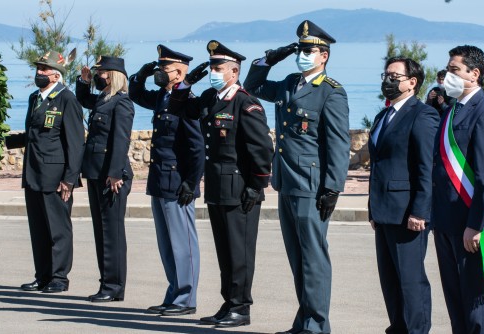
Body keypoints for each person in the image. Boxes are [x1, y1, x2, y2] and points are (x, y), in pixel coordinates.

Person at [244, 20, 350, 334]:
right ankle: (304, 320)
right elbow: (253, 87)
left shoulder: (331, 92)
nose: (302, 54)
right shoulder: (290, 83)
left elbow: (338, 143)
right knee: (297, 257)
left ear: (324, 56)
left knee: (313, 258)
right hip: (286, 180)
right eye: (299, 49)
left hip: (311, 184)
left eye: (308, 50)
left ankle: (317, 324)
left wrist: (332, 187)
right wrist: (269, 59)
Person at [170, 40, 273, 328]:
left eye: (218, 67)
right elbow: (182, 109)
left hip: (240, 190)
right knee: (225, 253)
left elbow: (262, 149)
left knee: (239, 253)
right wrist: (187, 82)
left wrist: (257, 185)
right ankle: (228, 302)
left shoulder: (246, 102)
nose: (214, 71)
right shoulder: (210, 98)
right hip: (217, 187)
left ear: (234, 71)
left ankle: (241, 307)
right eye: (212, 67)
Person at [431, 45, 484, 333]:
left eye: (454, 70)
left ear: (474, 74)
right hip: (446, 219)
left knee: (475, 304)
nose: (447, 76)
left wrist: (474, 225)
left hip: (470, 223)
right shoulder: (452, 111)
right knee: (455, 302)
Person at [129, 45, 205, 316]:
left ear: (180, 72)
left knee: (183, 243)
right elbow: (135, 93)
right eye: (159, 68)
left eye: (165, 68)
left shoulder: (186, 101)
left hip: (178, 182)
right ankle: (173, 292)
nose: (160, 72)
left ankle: (186, 298)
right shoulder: (162, 96)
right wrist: (140, 74)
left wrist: (191, 183)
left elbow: (197, 148)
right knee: (167, 244)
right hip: (160, 180)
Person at [368, 57, 439, 333]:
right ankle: (397, 328)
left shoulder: (422, 115)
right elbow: (379, 166)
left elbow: (426, 167)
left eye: (394, 76)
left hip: (408, 211)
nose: (388, 80)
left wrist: (420, 210)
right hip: (384, 210)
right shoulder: (383, 115)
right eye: (386, 75)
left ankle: (417, 330)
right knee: (390, 279)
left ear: (412, 82)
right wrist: (373, 208)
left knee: (411, 280)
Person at [5, 51, 84, 293]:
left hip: (56, 177)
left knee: (58, 230)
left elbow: (75, 142)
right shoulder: (34, 98)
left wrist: (70, 179)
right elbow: (34, 134)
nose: (38, 73)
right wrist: (6, 140)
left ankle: (59, 278)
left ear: (56, 75)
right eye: (38, 68)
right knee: (38, 229)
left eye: (43, 69)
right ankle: (42, 275)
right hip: (33, 173)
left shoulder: (66, 99)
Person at [75, 56, 134, 302]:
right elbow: (83, 99)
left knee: (112, 233)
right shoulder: (103, 99)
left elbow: (121, 140)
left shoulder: (122, 103)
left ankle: (114, 286)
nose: (99, 75)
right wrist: (83, 81)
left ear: (111, 75)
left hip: (111, 175)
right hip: (95, 171)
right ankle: (106, 283)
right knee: (101, 231)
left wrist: (114, 173)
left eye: (101, 72)